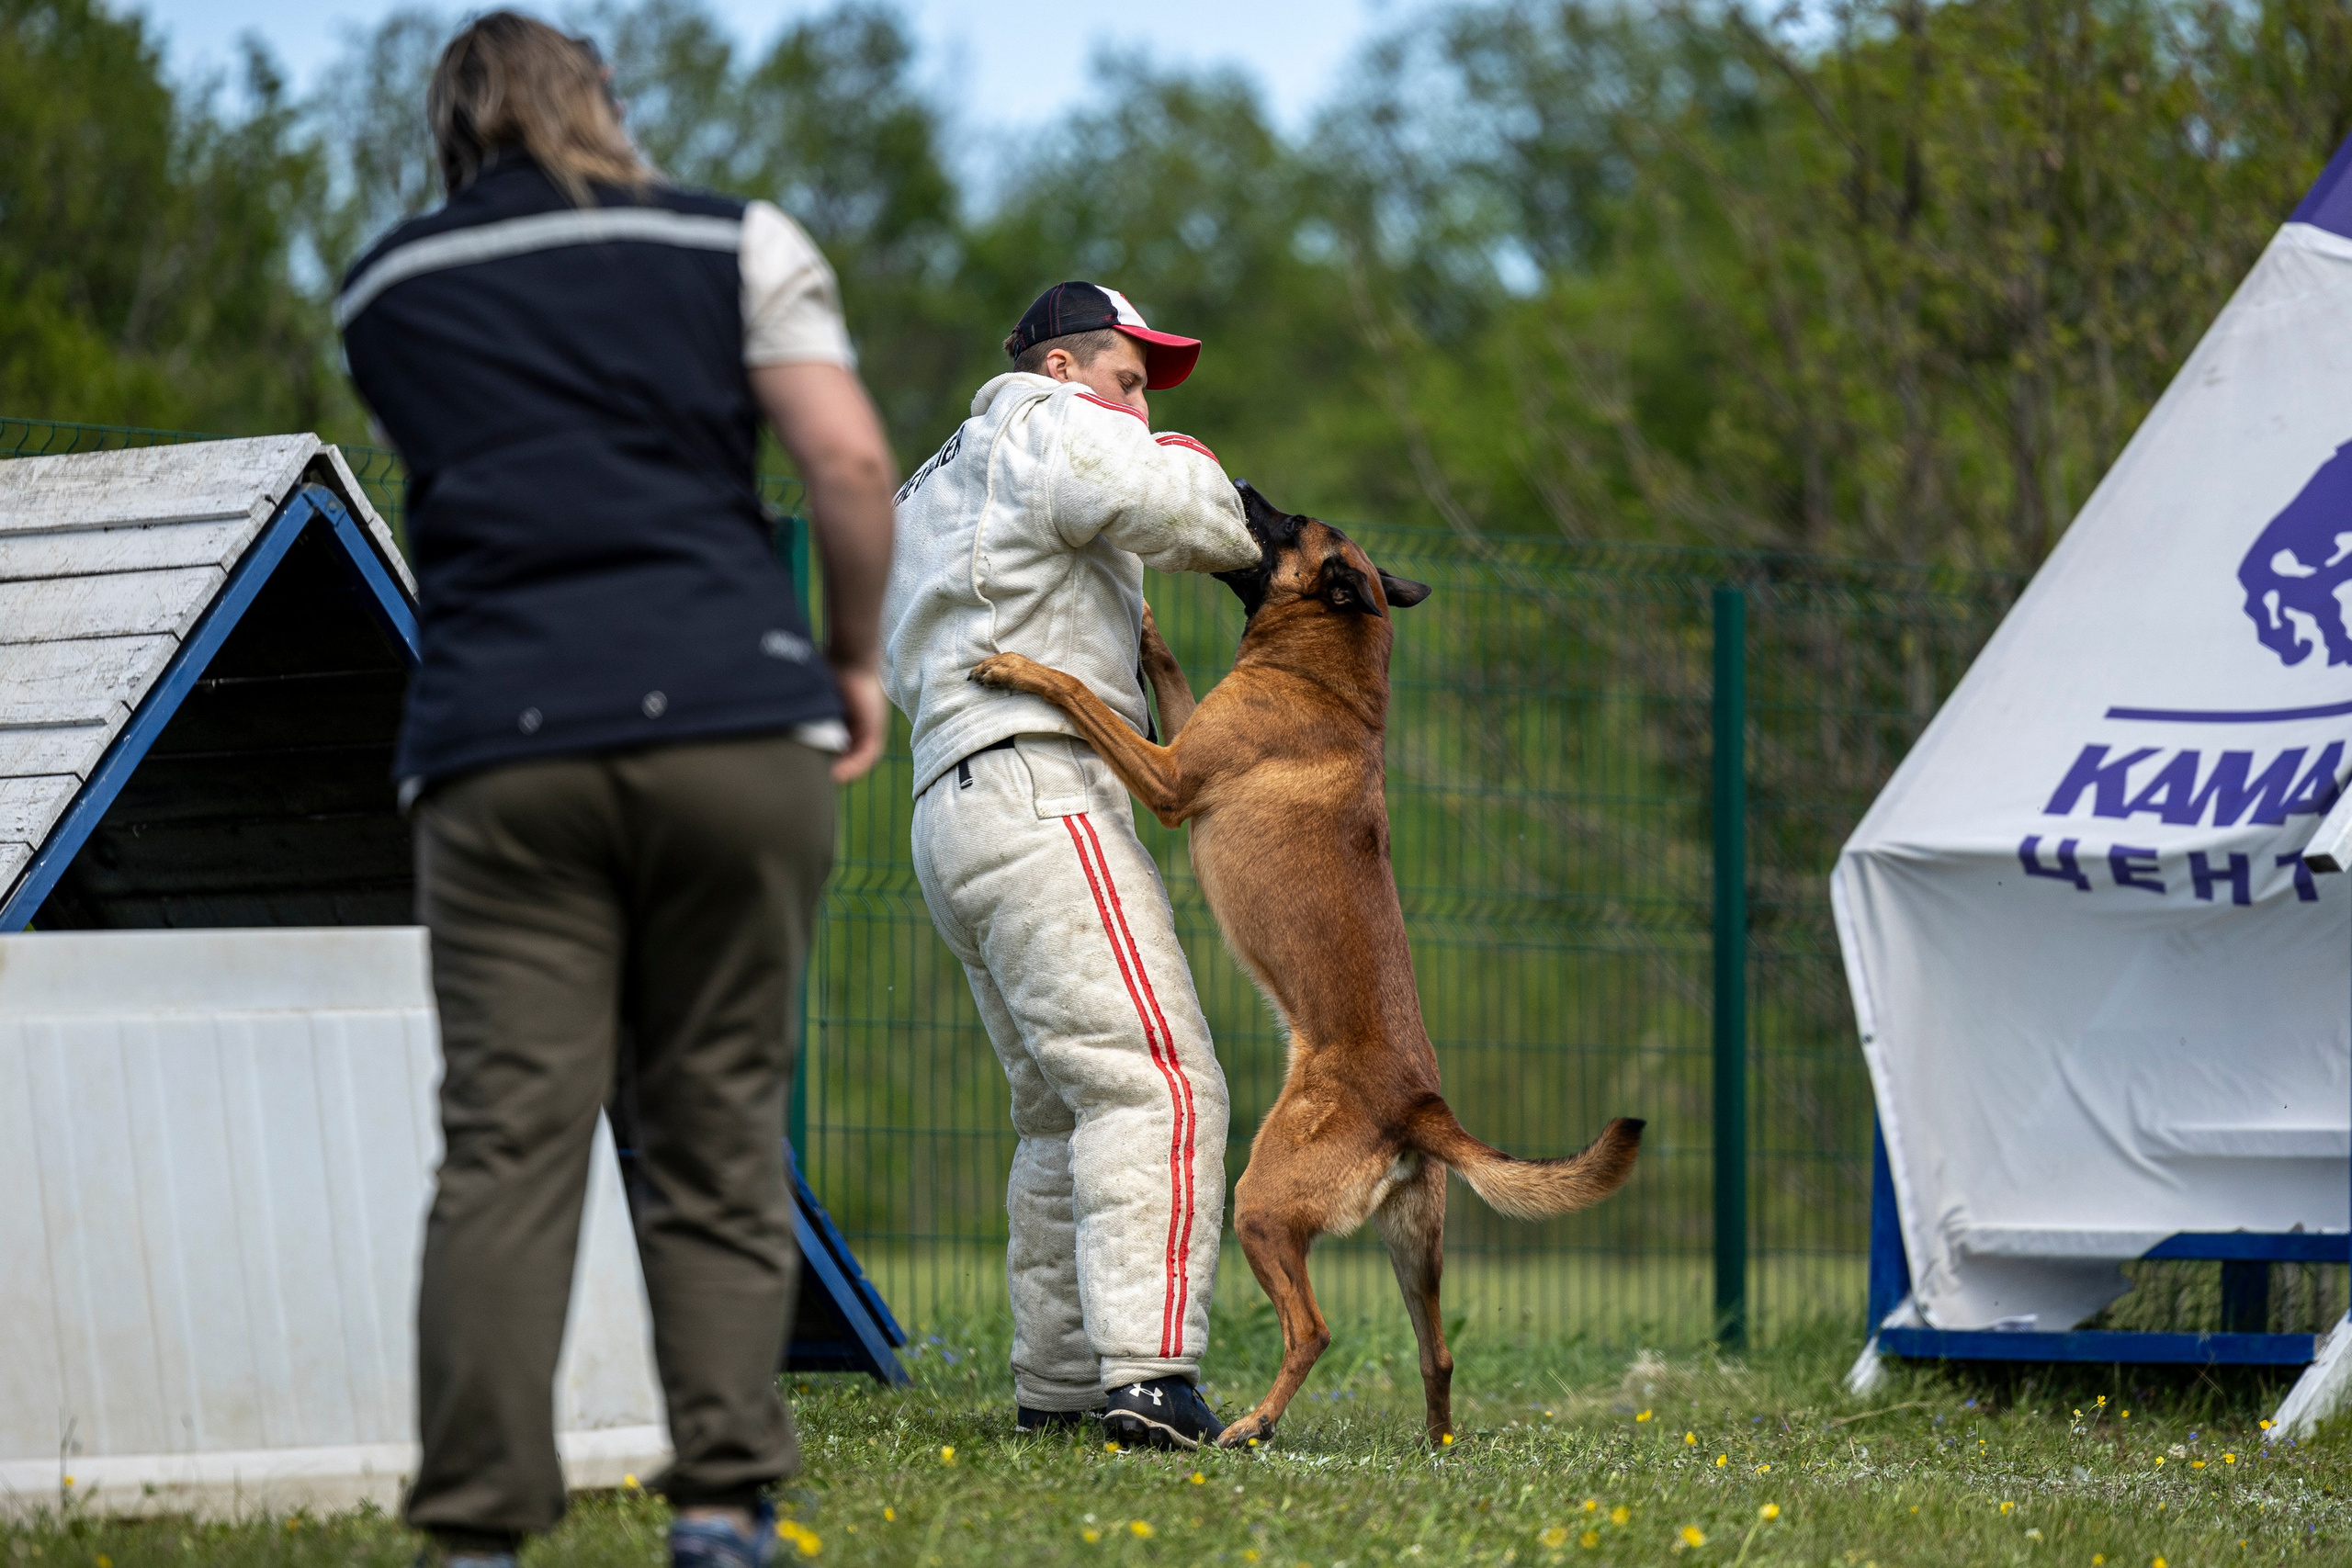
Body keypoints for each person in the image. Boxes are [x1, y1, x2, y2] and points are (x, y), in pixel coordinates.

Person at [334, 15, 897, 1567]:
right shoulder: (734, 240)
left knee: (508, 1145)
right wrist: (854, 658)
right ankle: (721, 1509)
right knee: (717, 1128)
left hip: (498, 743)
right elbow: (847, 468)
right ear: (602, 104)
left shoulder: (385, 288)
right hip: (732, 718)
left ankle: (474, 1536)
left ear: (452, 127)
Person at [882, 281, 1260, 1450]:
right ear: (1062, 370)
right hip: (1046, 785)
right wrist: (1218, 485)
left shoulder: (928, 484)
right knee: (1162, 1083)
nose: (1136, 409)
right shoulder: (1043, 422)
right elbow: (1185, 512)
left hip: (950, 801)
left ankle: (1056, 1386)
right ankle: (1152, 1382)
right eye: (1128, 381)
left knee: (1058, 1110)